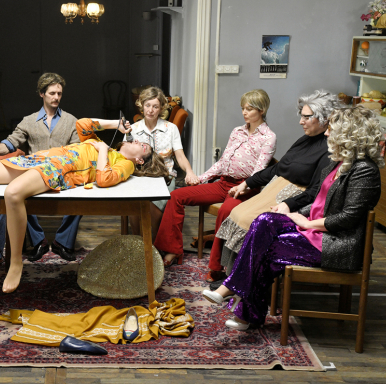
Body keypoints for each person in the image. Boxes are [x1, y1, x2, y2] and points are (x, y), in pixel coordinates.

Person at [202, 106, 382, 331]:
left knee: (267, 250)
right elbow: (318, 202)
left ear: (349, 134)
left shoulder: (365, 170)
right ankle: (240, 300)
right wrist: (292, 213)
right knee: (265, 220)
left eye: (332, 129)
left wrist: (306, 222)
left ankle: (243, 306)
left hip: (334, 243)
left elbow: (348, 218)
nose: (326, 133)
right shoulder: (337, 163)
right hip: (314, 230)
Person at [0, 117, 168, 294]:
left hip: (58, 169)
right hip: (41, 158)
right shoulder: (102, 144)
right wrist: (115, 124)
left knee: (12, 193)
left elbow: (103, 179)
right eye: (139, 140)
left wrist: (102, 150)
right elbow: (82, 124)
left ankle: (15, 263)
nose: (138, 142)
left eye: (143, 147)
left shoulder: (125, 164)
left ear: (140, 160)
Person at [214, 90, 343, 281]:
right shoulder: (305, 140)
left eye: (307, 117)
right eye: (301, 116)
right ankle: (232, 276)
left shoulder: (329, 150)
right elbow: (278, 168)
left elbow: (316, 192)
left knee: (248, 220)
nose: (301, 122)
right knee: (237, 213)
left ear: (324, 119)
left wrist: (289, 204)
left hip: (294, 197)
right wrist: (247, 183)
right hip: (275, 189)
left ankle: (246, 281)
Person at [154, 89, 276, 271]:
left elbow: (259, 172)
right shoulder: (237, 131)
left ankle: (216, 267)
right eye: (243, 108)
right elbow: (222, 162)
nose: (244, 112)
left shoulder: (268, 137)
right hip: (223, 183)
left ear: (262, 110)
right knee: (176, 196)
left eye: (249, 109)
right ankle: (172, 250)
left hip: (246, 188)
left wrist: (243, 187)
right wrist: (201, 178)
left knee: (225, 211)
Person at [0, 73, 82, 262]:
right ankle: (38, 241)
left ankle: (63, 242)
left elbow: (77, 151)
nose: (56, 97)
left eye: (59, 93)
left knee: (82, 197)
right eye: (52, 93)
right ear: (42, 93)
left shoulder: (71, 121)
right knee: (17, 195)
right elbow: (11, 142)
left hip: (62, 174)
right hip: (36, 175)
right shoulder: (29, 121)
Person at [125, 87, 199, 243]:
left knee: (154, 206)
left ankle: (152, 244)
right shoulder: (133, 129)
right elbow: (125, 157)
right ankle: (137, 242)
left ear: (161, 108)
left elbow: (180, 156)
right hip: (140, 175)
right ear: (141, 105)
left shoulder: (171, 129)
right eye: (147, 105)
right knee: (133, 203)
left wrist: (190, 172)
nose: (150, 110)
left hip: (165, 176)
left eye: (155, 106)